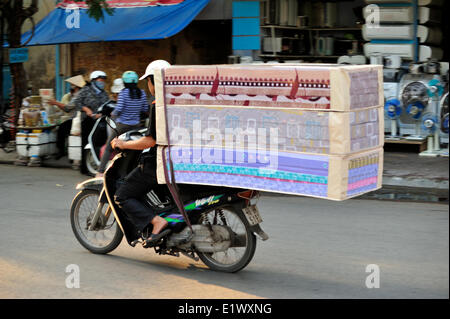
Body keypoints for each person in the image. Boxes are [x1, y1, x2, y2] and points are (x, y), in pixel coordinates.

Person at [111, 60, 171, 244]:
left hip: (157, 163)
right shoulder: (176, 101)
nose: (148, 85)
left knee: (122, 195)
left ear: (155, 82)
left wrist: (124, 144)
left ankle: (156, 221)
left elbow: (150, 141)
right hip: (174, 161)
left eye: (149, 81)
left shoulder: (158, 104)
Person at [96, 71, 149, 177]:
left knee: (109, 147)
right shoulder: (142, 93)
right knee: (131, 150)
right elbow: (144, 109)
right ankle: (125, 173)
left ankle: (100, 171)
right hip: (136, 126)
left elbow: (118, 109)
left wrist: (112, 114)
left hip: (122, 126)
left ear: (124, 82)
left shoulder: (123, 93)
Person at [72, 70, 109, 174]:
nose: (102, 82)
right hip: (87, 121)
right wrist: (87, 110)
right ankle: (84, 168)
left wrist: (102, 114)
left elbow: (106, 105)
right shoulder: (86, 90)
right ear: (94, 80)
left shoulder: (104, 93)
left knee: (99, 143)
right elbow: (77, 102)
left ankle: (97, 165)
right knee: (86, 143)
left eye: (103, 80)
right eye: (100, 80)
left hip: (99, 121)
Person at [47, 75, 86, 159]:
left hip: (79, 120)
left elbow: (67, 107)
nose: (71, 86)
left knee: (62, 128)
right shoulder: (78, 94)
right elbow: (67, 109)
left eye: (72, 84)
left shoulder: (79, 95)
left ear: (76, 86)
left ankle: (61, 151)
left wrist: (55, 103)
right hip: (78, 119)